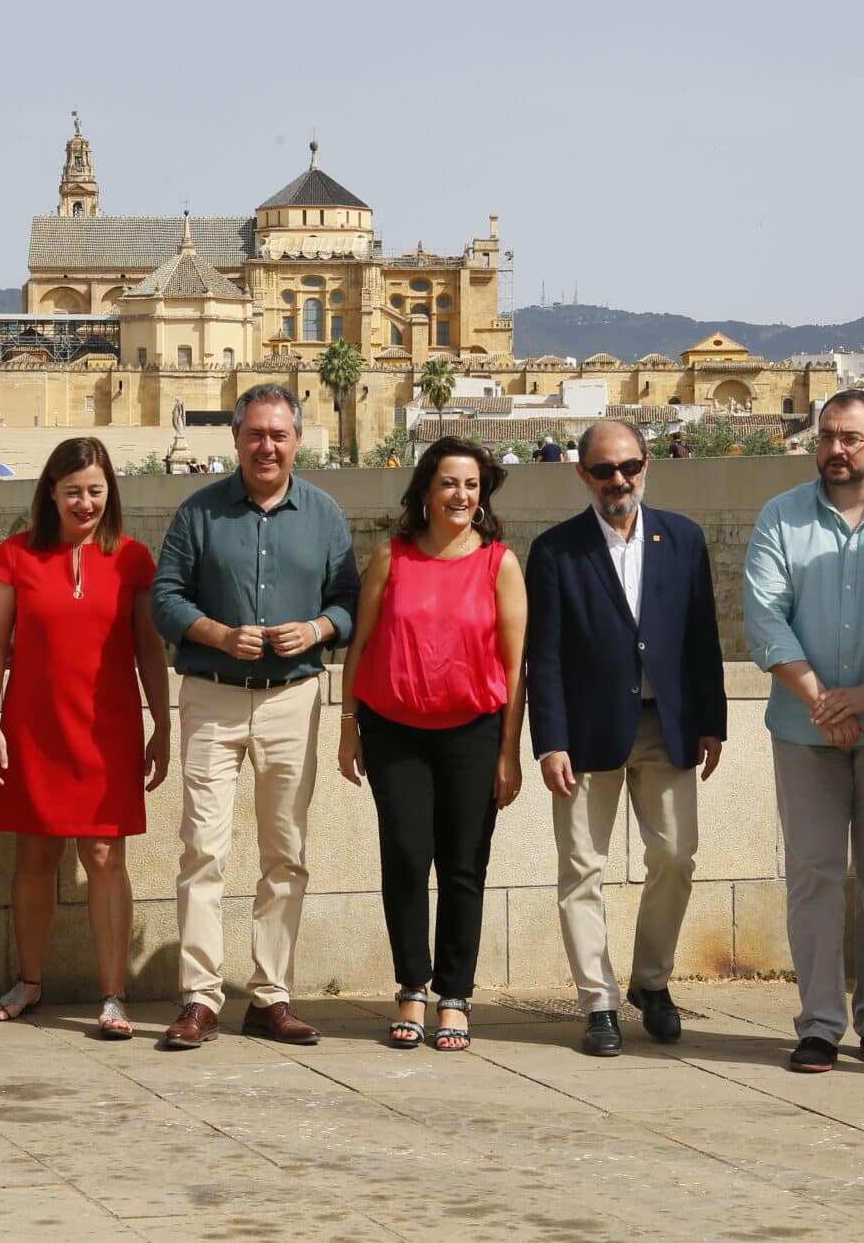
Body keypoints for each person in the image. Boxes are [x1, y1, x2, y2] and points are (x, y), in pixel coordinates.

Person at [151, 384, 361, 1050]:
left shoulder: (324, 514)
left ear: (296, 439)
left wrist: (320, 628)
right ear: (236, 438)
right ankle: (200, 995)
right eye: (255, 433)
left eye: (278, 434)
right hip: (211, 693)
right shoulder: (199, 512)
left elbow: (352, 602)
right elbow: (164, 597)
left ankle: (270, 996)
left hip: (291, 699)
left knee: (286, 853)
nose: (266, 445)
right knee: (202, 848)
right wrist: (215, 631)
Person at [525, 419, 727, 1057]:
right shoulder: (557, 551)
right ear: (583, 474)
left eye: (631, 467)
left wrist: (712, 722)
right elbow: (545, 656)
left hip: (666, 728)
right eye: (605, 470)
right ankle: (599, 1002)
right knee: (582, 870)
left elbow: (702, 637)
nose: (620, 481)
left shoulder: (683, 538)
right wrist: (549, 739)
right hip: (585, 733)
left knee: (675, 857)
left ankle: (651, 981)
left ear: (647, 466)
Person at [743, 390, 864, 1075]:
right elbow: (764, 617)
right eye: (826, 436)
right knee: (814, 876)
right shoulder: (781, 516)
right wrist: (825, 702)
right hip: (803, 727)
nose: (835, 449)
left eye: (850, 437)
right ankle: (820, 1022)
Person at [338, 436, 527, 1051]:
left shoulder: (500, 563)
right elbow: (359, 646)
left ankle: (454, 995)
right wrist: (348, 727)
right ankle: (411, 989)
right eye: (448, 482)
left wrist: (508, 752)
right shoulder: (390, 559)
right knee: (407, 858)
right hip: (394, 731)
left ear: (483, 495)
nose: (460, 495)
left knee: (464, 864)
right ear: (424, 491)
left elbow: (516, 665)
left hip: (473, 733)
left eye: (471, 485)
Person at [0, 437, 170, 1038]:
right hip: (33, 727)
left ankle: (114, 996)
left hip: (107, 729)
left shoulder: (134, 559)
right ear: (51, 494)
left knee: (106, 857)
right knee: (34, 856)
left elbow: (148, 649)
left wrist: (162, 724)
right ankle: (28, 983)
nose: (84, 502)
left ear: (109, 492)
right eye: (72, 492)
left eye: (94, 490)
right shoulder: (15, 555)